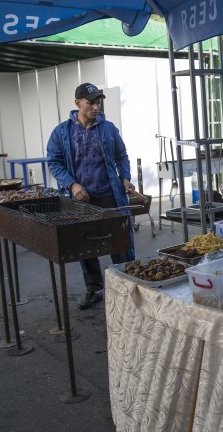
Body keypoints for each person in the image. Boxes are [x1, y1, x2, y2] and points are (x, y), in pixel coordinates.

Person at [47, 83, 136, 310]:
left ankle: (128, 289)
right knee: (84, 247)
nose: (96, 107)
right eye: (91, 103)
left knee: (120, 244)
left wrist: (125, 178)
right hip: (81, 199)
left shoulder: (108, 129)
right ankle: (94, 289)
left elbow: (121, 156)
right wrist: (72, 184)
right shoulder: (62, 132)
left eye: (98, 102)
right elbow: (54, 163)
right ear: (77, 103)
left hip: (110, 196)